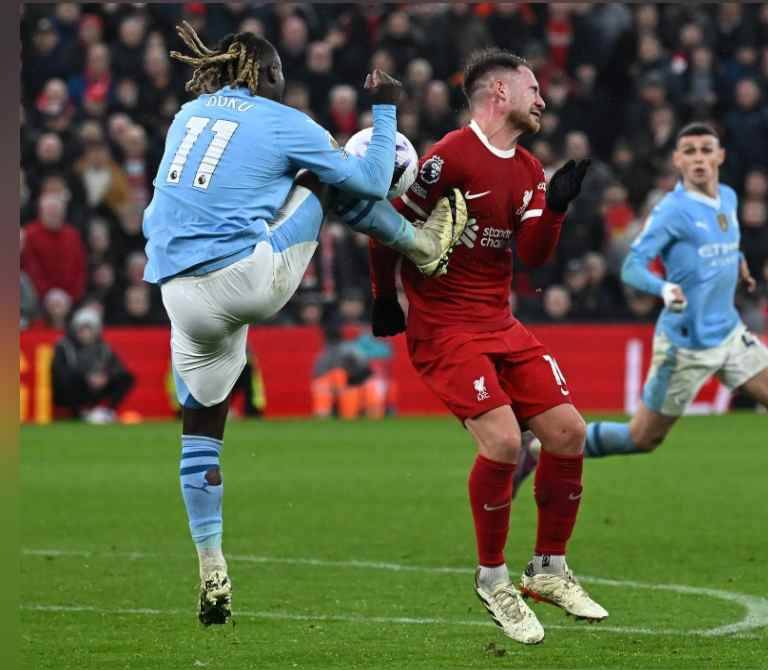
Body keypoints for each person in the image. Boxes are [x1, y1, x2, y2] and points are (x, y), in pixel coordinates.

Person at [144, 22, 468, 627]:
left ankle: (212, 564)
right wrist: (386, 111)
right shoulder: (280, 118)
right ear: (265, 76)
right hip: (245, 278)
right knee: (332, 171)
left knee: (202, 430)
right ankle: (422, 247)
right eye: (281, 78)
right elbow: (371, 180)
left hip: (176, 292)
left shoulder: (185, 116)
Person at [515, 123, 768, 543]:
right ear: (677, 161)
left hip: (729, 334)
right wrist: (663, 287)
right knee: (641, 438)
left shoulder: (727, 198)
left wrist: (741, 267)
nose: (697, 157)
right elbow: (632, 265)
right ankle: (534, 452)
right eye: (688, 151)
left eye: (705, 149)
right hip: (684, 346)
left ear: (719, 156)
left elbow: (726, 243)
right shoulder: (672, 211)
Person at [367, 48, 606, 645]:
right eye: (532, 88)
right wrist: (383, 296)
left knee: (569, 431)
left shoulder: (527, 169)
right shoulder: (449, 155)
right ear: (499, 93)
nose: (542, 99)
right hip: (444, 328)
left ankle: (548, 568)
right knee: (503, 441)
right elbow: (390, 225)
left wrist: (555, 206)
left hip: (499, 322)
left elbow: (532, 257)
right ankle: (492, 577)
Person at [51, 307, 135, 423]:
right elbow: (59, 372)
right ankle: (77, 414)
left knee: (127, 377)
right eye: (82, 329)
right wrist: (86, 377)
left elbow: (118, 367)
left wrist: (106, 377)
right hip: (73, 389)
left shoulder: (103, 347)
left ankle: (108, 412)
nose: (86, 334)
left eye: (89, 329)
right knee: (68, 380)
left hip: (97, 386)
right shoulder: (64, 346)